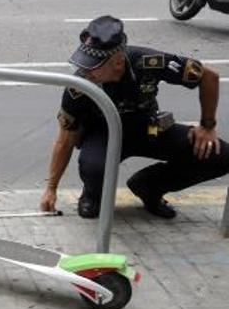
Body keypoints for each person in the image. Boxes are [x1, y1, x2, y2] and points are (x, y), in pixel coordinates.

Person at [39, 16, 229, 219]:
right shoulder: (79, 85)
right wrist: (51, 188)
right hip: (104, 134)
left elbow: (208, 77)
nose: (85, 70)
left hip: (147, 127)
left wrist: (207, 126)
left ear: (118, 61)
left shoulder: (148, 62)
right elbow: (65, 140)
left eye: (93, 65)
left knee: (220, 155)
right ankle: (93, 195)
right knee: (93, 167)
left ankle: (149, 186)